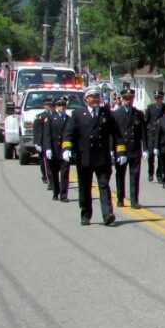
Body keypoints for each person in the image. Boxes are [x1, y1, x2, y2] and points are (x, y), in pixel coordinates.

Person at [61, 85, 118, 226]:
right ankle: (85, 214)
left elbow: (116, 134)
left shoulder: (106, 113)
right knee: (85, 187)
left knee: (104, 186)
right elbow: (68, 133)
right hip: (84, 156)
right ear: (86, 99)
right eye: (92, 97)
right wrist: (67, 148)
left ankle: (107, 214)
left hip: (102, 157)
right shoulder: (78, 114)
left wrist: (118, 150)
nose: (95, 99)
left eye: (97, 96)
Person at [111, 87, 147, 208]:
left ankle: (134, 200)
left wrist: (146, 148)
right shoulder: (115, 114)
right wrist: (112, 149)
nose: (128, 100)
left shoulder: (139, 114)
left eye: (130, 98)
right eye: (126, 98)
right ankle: (120, 198)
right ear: (122, 99)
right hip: (121, 149)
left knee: (135, 176)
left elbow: (143, 132)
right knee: (120, 175)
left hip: (135, 149)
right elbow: (113, 134)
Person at [43, 97, 71, 202]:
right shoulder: (51, 119)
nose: (62, 108)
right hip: (54, 149)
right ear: (56, 107)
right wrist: (48, 148)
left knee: (65, 174)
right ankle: (56, 192)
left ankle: (64, 195)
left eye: (63, 106)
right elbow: (47, 135)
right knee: (54, 173)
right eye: (59, 106)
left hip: (64, 150)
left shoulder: (69, 119)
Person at [144, 90, 165, 182]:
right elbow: (146, 121)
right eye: (156, 97)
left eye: (159, 97)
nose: (158, 99)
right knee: (151, 155)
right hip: (152, 134)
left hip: (161, 133)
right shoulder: (150, 107)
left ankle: (159, 174)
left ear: (162, 98)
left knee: (160, 156)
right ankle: (150, 173)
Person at [33, 98, 54, 188]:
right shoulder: (40, 116)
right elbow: (37, 131)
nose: (50, 107)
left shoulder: (56, 115)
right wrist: (37, 143)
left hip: (53, 142)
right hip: (42, 142)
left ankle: (53, 179)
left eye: (51, 105)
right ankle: (46, 177)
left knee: (53, 163)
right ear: (45, 106)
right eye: (48, 105)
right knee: (44, 162)